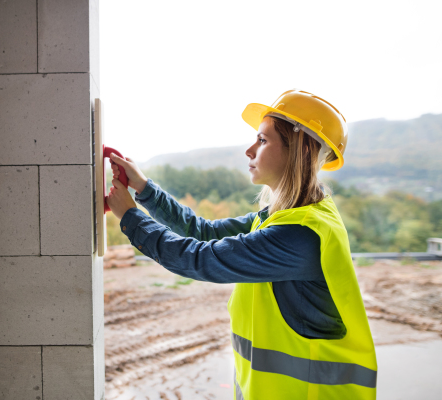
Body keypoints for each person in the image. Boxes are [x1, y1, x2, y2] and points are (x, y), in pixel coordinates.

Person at [106, 89, 377, 400]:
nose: (250, 151)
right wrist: (144, 188)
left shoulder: (299, 236)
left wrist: (130, 217)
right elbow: (203, 232)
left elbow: (199, 259)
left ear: (300, 150)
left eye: (262, 140)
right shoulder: (283, 219)